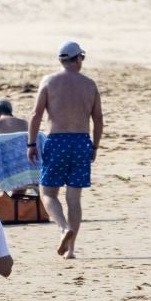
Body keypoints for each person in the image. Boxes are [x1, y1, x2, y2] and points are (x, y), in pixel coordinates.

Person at [29, 41, 103, 258]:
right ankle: (70, 250)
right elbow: (98, 119)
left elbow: (36, 115)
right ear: (77, 59)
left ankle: (63, 228)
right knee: (74, 198)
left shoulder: (49, 81)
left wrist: (31, 143)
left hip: (57, 140)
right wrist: (95, 145)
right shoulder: (89, 85)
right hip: (81, 142)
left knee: (48, 193)